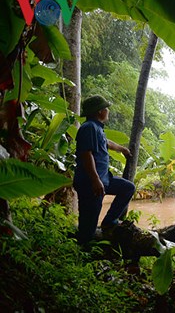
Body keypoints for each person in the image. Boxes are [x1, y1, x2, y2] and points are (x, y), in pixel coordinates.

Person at [73, 95, 135, 244]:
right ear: (100, 111)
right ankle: (84, 251)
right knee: (89, 223)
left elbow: (106, 143)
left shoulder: (96, 128)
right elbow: (86, 155)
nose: (108, 111)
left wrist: (122, 149)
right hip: (90, 182)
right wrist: (95, 180)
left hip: (103, 179)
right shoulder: (89, 128)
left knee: (127, 188)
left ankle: (109, 221)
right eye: (106, 108)